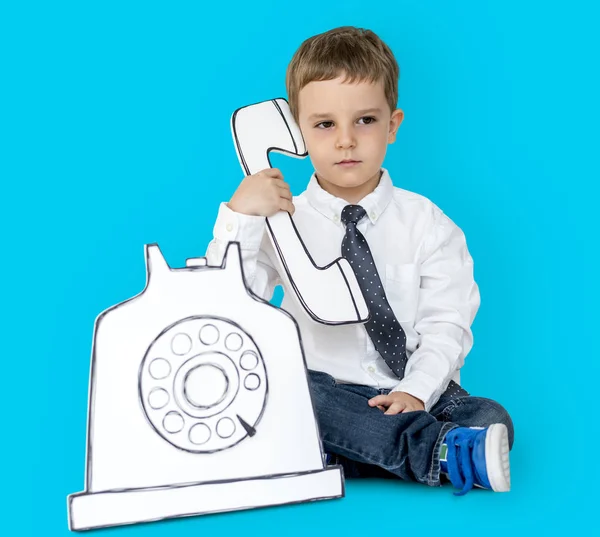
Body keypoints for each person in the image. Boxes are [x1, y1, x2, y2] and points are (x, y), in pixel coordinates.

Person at [205, 26, 513, 495]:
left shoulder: (428, 223)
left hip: (413, 389)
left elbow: (447, 324)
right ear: (299, 131)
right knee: (285, 390)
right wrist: (240, 218)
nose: (346, 140)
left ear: (392, 124)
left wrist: (416, 390)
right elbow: (225, 308)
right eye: (325, 124)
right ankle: (434, 453)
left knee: (490, 417)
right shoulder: (278, 221)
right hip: (324, 389)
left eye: (365, 120)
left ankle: (338, 451)